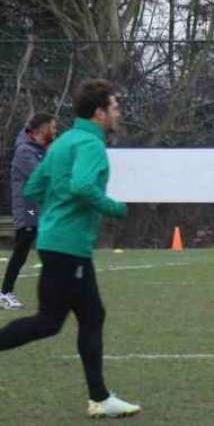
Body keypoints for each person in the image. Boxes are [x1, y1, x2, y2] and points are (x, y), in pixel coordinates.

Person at [0, 80, 141, 418]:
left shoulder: (63, 142)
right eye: (115, 107)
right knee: (50, 321)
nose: (118, 112)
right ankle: (100, 398)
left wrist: (57, 209)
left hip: (58, 242)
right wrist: (114, 207)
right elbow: (80, 185)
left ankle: (100, 398)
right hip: (68, 245)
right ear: (99, 112)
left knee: (90, 316)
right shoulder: (91, 145)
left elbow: (35, 186)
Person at [1, 113, 58, 310]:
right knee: (22, 250)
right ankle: (5, 292)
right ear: (40, 129)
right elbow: (42, 177)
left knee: (48, 247)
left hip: (38, 207)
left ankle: (58, 291)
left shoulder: (41, 150)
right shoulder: (25, 151)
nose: (55, 130)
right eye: (52, 126)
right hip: (28, 209)